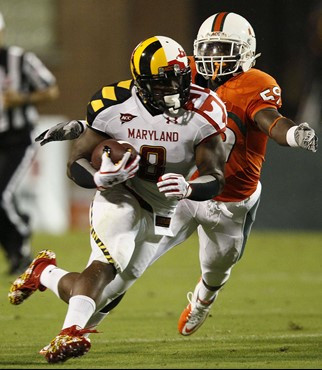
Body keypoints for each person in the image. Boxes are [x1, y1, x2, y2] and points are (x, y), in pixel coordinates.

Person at [32, 12, 318, 338]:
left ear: (247, 50)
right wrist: (84, 128)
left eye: (224, 48)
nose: (214, 57)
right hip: (177, 191)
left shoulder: (256, 84)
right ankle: (73, 320)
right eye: (208, 49)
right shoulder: (183, 73)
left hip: (230, 199)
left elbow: (271, 120)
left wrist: (294, 135)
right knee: (118, 276)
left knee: (216, 268)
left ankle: (203, 301)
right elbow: (137, 106)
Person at [8, 35, 228, 363]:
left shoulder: (205, 110)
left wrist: (188, 189)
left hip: (164, 206)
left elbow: (216, 176)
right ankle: (67, 335)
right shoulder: (113, 103)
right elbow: (75, 163)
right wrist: (98, 178)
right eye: (161, 81)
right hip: (120, 191)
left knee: (107, 295)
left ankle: (45, 273)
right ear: (140, 84)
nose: (172, 88)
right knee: (111, 259)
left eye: (178, 78)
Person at [0, 12, 59, 274]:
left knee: (1, 194)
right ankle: (16, 252)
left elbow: (51, 89)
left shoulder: (19, 59)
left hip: (16, 137)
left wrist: (21, 98)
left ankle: (20, 235)